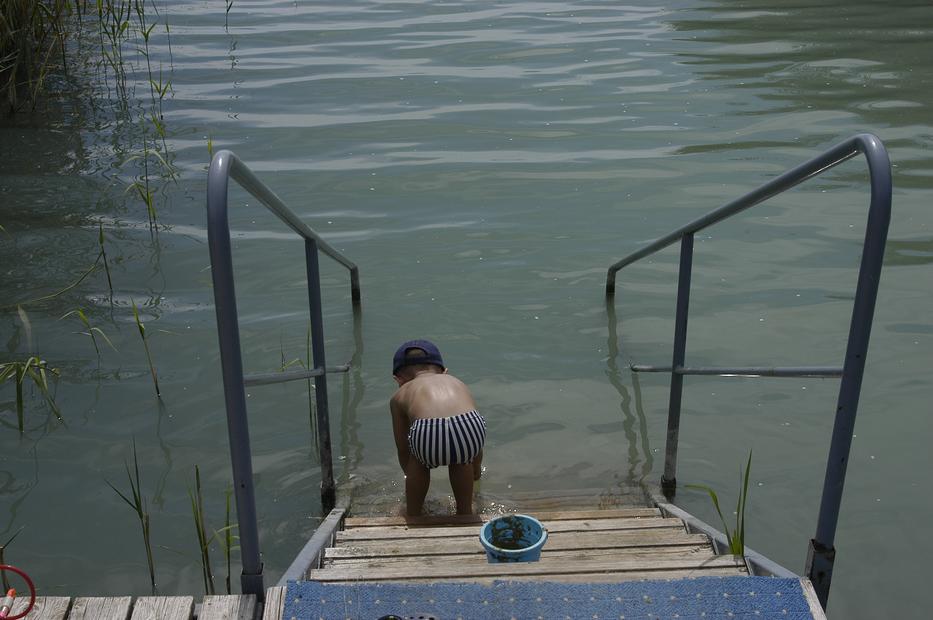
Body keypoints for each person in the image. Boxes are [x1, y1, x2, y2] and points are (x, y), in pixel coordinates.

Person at [390, 339, 485, 516]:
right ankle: (465, 511)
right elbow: (476, 444)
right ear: (444, 371)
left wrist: (410, 470)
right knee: (463, 459)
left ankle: (414, 514)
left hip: (427, 429)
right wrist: (476, 470)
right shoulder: (457, 382)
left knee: (418, 462)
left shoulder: (400, 393)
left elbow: (403, 447)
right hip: (470, 424)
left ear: (398, 379)